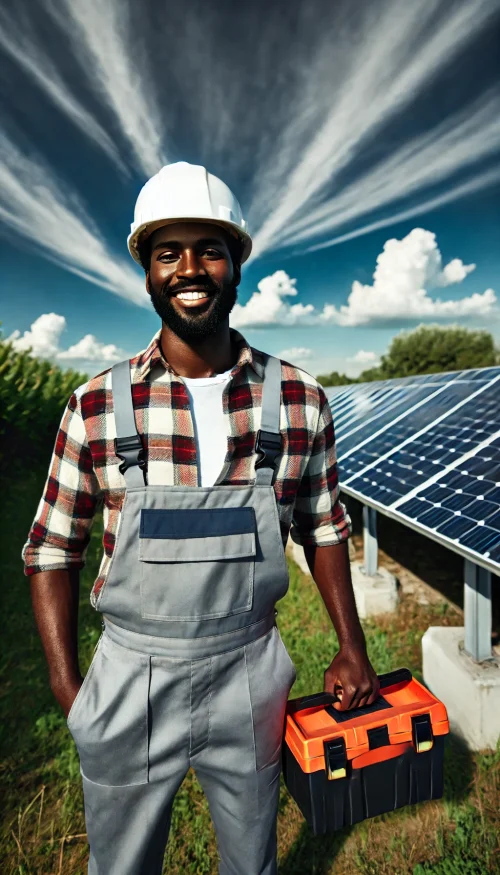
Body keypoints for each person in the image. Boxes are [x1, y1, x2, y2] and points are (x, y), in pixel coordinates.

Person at [22, 161, 380, 875]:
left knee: (252, 860)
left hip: (250, 667)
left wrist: (352, 643)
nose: (191, 267)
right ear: (148, 273)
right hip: (129, 673)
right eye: (168, 252)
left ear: (236, 264)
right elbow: (51, 550)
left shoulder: (299, 397)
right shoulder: (95, 404)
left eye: (210, 249)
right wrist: (73, 692)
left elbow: (325, 526)